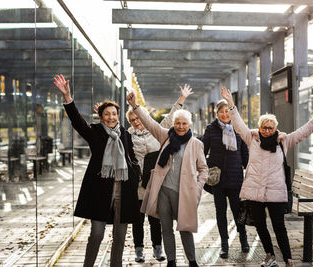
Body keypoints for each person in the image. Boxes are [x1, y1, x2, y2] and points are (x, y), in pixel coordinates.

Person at [221, 87, 313, 267]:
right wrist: (230, 104)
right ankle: (270, 255)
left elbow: (303, 132)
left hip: (276, 192)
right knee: (260, 225)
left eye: (270, 128)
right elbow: (238, 124)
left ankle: (288, 258)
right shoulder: (252, 139)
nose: (267, 130)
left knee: (279, 226)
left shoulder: (284, 141)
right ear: (259, 128)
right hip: (254, 192)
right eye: (264, 128)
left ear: (276, 128)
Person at [53, 74, 140, 267]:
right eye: (107, 114)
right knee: (97, 234)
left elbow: (132, 158)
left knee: (119, 236)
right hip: (100, 191)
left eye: (114, 114)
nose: (111, 117)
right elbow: (77, 122)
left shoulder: (125, 134)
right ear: (101, 117)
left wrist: (136, 174)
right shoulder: (95, 132)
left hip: (124, 191)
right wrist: (68, 97)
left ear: (118, 116)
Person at [126, 91, 208, 267]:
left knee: (185, 228)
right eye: (177, 123)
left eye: (184, 123)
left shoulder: (196, 144)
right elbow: (149, 122)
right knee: (166, 229)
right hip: (163, 191)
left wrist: (198, 187)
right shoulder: (165, 136)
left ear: (189, 125)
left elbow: (204, 170)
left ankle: (192, 261)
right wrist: (135, 106)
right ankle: (171, 260)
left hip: (185, 194)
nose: (180, 126)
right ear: (173, 124)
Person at [201, 99, 250, 258]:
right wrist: (207, 168)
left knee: (238, 212)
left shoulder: (239, 128)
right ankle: (224, 244)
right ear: (217, 113)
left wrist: (248, 172)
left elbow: (245, 154)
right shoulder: (210, 129)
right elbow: (202, 152)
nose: (224, 114)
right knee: (220, 212)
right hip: (218, 180)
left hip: (236, 178)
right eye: (221, 111)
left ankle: (243, 239)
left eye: (227, 111)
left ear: (231, 112)